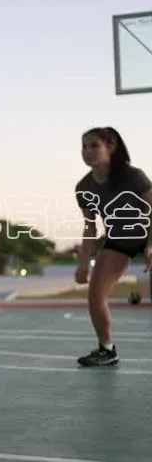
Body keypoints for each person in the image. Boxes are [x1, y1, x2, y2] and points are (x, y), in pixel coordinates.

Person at [74, 126, 152, 367]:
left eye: (94, 145)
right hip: (119, 239)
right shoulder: (84, 188)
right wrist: (83, 263)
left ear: (111, 147)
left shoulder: (133, 176)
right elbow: (90, 229)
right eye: (84, 146)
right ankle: (107, 350)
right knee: (95, 295)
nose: (87, 151)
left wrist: (151, 245)